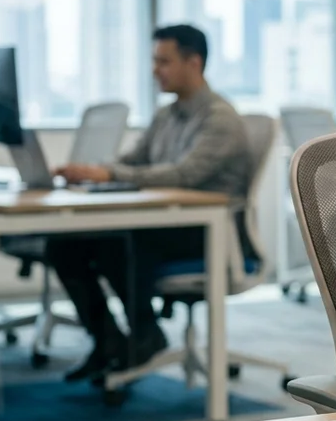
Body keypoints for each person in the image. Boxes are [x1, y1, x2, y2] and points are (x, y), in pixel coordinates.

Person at [46, 25, 253, 383]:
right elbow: (135, 159)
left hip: (209, 232)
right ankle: (108, 340)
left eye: (164, 61)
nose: (155, 70)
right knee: (66, 243)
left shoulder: (220, 119)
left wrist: (109, 176)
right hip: (167, 224)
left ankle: (143, 335)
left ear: (194, 62)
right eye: (155, 61)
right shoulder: (166, 115)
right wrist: (97, 172)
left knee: (118, 241)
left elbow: (184, 175)